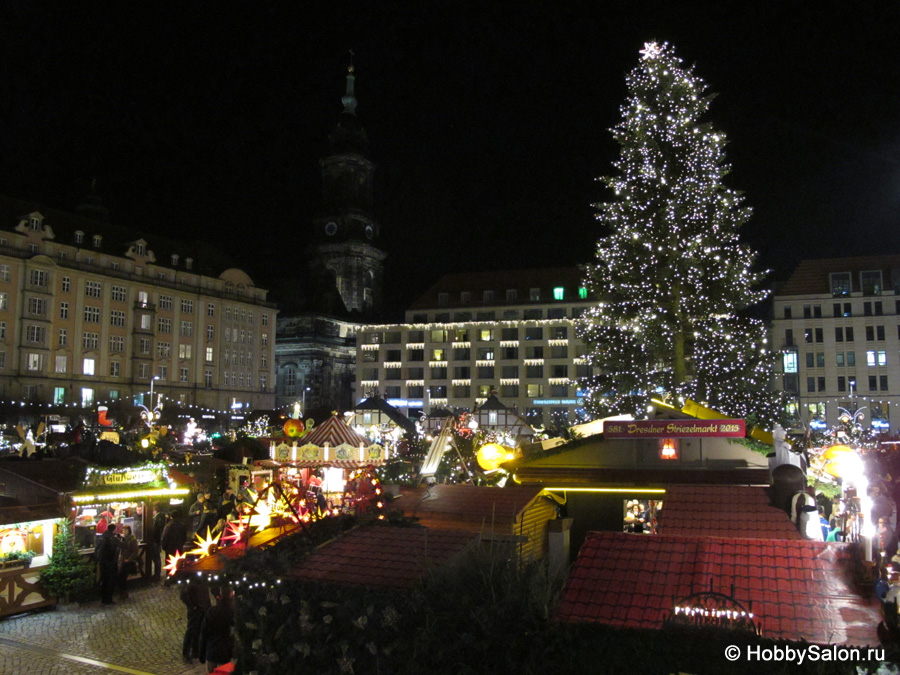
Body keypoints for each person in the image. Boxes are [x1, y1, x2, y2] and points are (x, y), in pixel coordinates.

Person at [199, 586, 234, 673]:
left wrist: (202, 654)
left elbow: (204, 633)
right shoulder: (233, 612)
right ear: (231, 594)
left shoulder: (212, 612)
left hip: (212, 652)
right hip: (226, 653)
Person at [180, 581, 212, 664]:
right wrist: (192, 606)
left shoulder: (202, 577)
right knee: (191, 630)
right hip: (196, 608)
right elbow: (183, 595)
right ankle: (186, 653)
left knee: (199, 630)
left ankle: (195, 650)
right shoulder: (190, 579)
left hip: (203, 607)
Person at [96, 523, 121, 606]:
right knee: (111, 581)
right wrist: (121, 538)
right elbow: (123, 546)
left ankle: (103, 599)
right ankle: (109, 600)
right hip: (111, 562)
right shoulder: (113, 538)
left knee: (104, 580)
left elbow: (96, 549)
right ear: (114, 530)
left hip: (102, 562)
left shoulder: (102, 537)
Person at [117, 525, 139, 599]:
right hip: (122, 560)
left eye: (126, 530)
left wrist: (129, 559)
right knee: (121, 577)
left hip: (127, 561)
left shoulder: (132, 539)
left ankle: (124, 593)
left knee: (123, 577)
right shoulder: (122, 539)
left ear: (129, 531)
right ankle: (122, 592)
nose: (124, 532)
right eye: (123, 530)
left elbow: (135, 551)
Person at [149, 508, 168, 581]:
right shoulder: (159, 518)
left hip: (155, 541)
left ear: (154, 511)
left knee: (156, 558)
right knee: (156, 558)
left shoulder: (157, 519)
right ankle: (157, 574)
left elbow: (156, 531)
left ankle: (157, 574)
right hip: (157, 541)